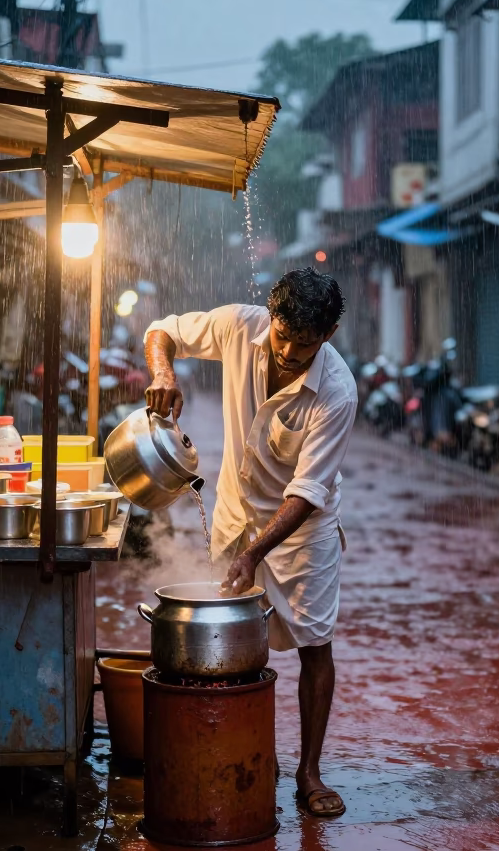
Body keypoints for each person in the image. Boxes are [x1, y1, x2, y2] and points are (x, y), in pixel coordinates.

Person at [145, 267, 357, 818]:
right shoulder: (242, 327)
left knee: (315, 644)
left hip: (300, 532)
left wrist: (254, 553)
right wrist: (164, 372)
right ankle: (239, 746)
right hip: (235, 514)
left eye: (304, 344)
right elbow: (161, 330)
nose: (288, 351)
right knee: (226, 635)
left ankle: (308, 772)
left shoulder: (337, 391)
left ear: (329, 334)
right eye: (282, 335)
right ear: (270, 315)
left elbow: (307, 491)